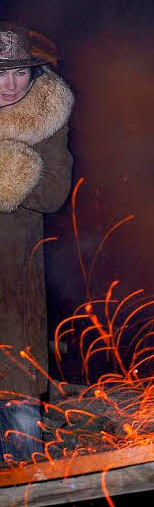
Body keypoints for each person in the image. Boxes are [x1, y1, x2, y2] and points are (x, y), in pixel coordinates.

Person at [0, 23, 74, 462]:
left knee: (20, 421)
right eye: (0, 72)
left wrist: (10, 171)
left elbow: (53, 194)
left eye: (20, 73)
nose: (10, 85)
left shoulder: (45, 119)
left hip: (13, 286)